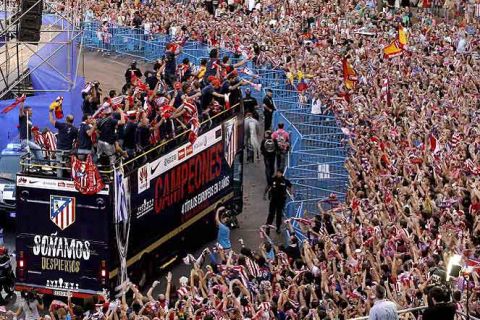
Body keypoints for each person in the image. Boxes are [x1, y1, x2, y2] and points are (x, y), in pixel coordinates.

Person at [49, 111, 78, 178]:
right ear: (73, 121)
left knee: (59, 166)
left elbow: (51, 120)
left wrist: (50, 112)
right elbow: (77, 140)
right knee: (68, 166)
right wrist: (73, 147)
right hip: (68, 151)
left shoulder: (61, 125)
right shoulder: (75, 129)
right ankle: (72, 179)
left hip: (59, 150)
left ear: (66, 119)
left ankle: (59, 180)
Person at [266, 170, 292, 234]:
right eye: (277, 172)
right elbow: (268, 186)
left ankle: (278, 228)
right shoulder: (273, 179)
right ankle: (268, 227)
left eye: (279, 173)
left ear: (282, 174)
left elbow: (290, 186)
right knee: (271, 214)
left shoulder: (284, 181)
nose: (278, 174)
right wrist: (265, 193)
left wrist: (291, 193)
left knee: (279, 215)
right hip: (273, 200)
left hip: (281, 201)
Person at [261, 130, 277, 199]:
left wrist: (263, 153)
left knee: (267, 168)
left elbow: (261, 148)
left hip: (266, 156)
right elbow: (276, 147)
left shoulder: (264, 141)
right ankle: (271, 176)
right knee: (272, 166)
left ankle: (269, 179)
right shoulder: (274, 140)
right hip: (272, 156)